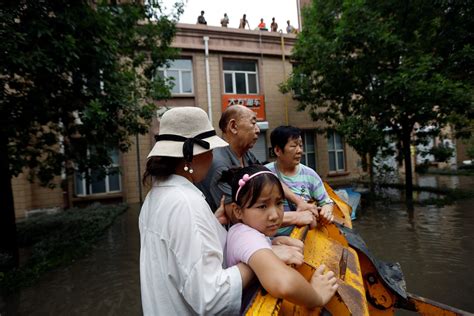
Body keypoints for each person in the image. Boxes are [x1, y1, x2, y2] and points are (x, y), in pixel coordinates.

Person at [139, 107, 253, 314]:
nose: (212, 156)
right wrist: (255, 262)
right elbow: (212, 298)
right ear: (191, 157)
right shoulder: (186, 204)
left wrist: (210, 223)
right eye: (209, 150)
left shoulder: (155, 197)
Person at [222, 165, 339, 309]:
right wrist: (317, 296)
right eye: (262, 206)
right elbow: (284, 283)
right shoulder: (246, 236)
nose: (275, 215)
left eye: (279, 203)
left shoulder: (245, 231)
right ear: (238, 211)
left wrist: (271, 243)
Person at [266, 126, 334, 236]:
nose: (300, 151)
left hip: (302, 237)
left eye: (301, 145)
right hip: (271, 237)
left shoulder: (310, 175)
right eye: (293, 146)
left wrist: (327, 211)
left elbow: (326, 202)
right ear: (278, 150)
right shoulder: (265, 173)